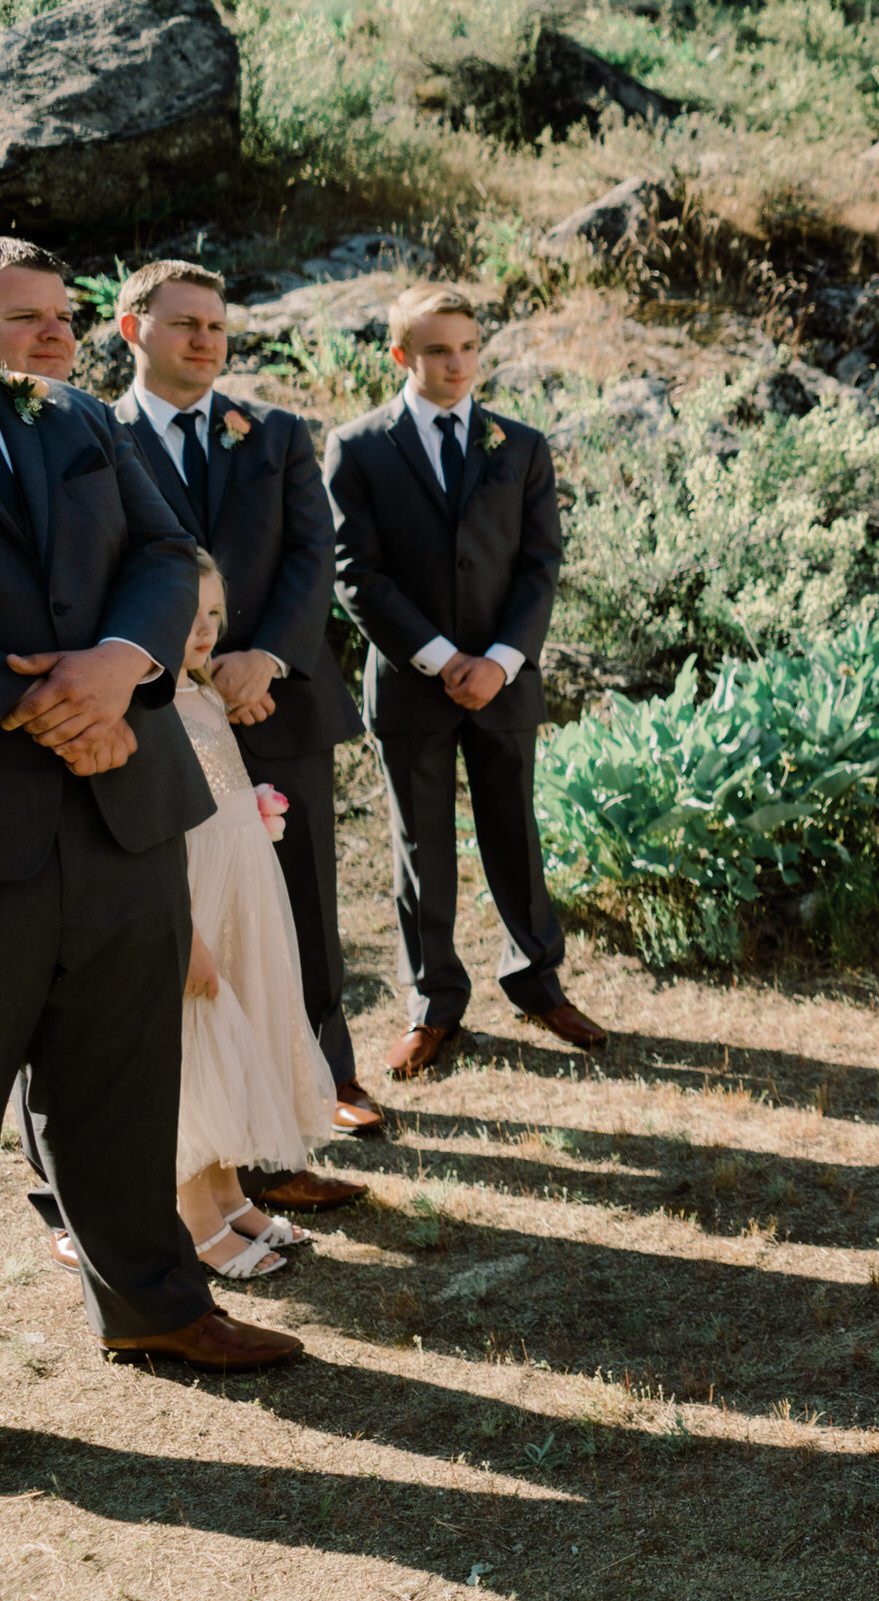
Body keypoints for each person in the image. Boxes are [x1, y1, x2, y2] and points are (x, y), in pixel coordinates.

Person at [0, 235, 298, 1370]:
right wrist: (43, 699)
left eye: (60, 314)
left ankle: (158, 1306)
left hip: (130, 806)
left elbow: (170, 554)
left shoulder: (75, 422)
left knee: (124, 1076)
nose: (52, 333)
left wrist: (122, 663)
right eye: (22, 316)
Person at [109, 260, 379, 1160]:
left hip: (277, 703)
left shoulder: (275, 432)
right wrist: (174, 672)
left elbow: (314, 550)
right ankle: (203, 1125)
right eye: (185, 323)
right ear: (130, 328)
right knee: (181, 912)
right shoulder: (92, 437)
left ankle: (325, 1080)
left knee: (298, 901)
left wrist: (264, 657)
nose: (205, 340)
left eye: (217, 326)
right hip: (151, 718)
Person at [328, 285, 605, 1078]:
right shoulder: (359, 446)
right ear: (401, 355)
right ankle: (434, 1003)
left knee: (515, 834)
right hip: (415, 684)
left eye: (469, 348)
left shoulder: (518, 445)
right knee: (422, 848)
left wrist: (500, 661)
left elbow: (539, 566)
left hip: (505, 681)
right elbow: (357, 574)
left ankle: (536, 979)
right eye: (439, 350)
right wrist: (444, 658)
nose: (457, 364)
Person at [168, 552, 339, 1278]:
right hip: (197, 894)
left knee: (241, 1034)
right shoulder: (156, 706)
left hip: (244, 887)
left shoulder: (205, 694)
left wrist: (253, 808)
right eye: (187, 616)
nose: (204, 631)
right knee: (198, 1045)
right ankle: (193, 1214)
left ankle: (231, 1195)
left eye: (214, 615)